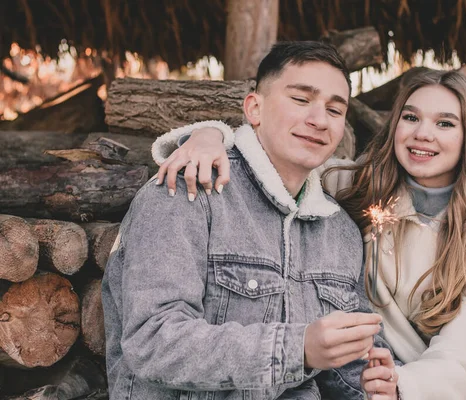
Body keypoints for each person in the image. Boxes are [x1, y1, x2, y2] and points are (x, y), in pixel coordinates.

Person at [152, 67, 466, 400]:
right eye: (411, 117)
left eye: (445, 123)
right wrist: (209, 135)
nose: (422, 134)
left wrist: (401, 387)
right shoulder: (355, 184)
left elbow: (459, 353)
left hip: (419, 385)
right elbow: (280, 153)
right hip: (342, 370)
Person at [102, 41, 401, 400]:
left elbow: (345, 366)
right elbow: (152, 341)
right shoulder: (186, 192)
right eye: (301, 99)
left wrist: (374, 380)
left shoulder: (339, 232)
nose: (319, 120)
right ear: (254, 108)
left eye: (335, 110)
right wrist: (297, 348)